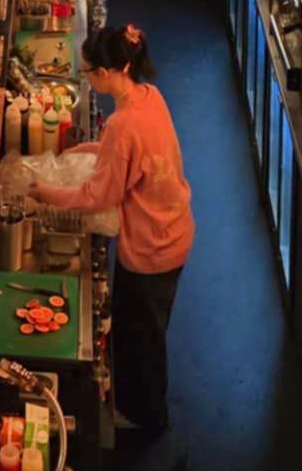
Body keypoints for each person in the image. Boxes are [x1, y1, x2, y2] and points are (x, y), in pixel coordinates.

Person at [29, 22, 194, 435]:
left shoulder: (123, 125)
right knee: (148, 331)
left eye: (88, 71)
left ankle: (146, 418)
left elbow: (95, 197)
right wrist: (91, 148)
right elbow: (134, 153)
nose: (86, 77)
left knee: (142, 339)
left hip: (151, 248)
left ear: (108, 72)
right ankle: (144, 408)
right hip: (175, 231)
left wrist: (44, 192)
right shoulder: (148, 97)